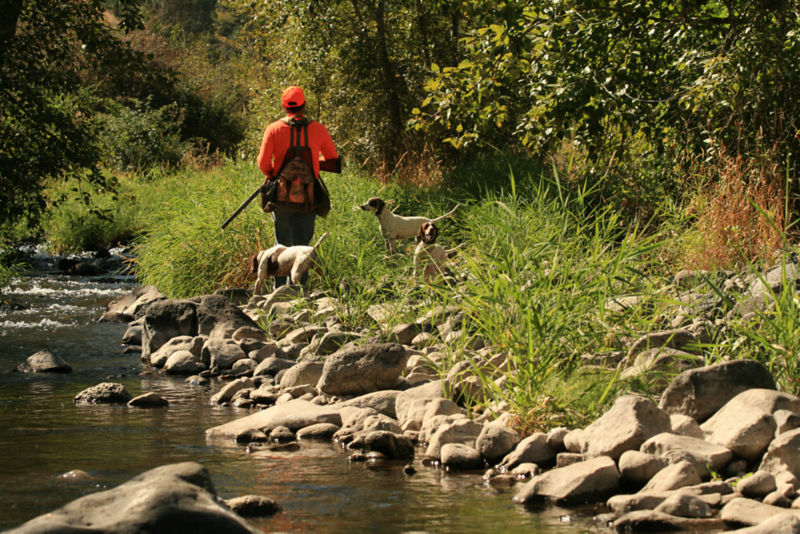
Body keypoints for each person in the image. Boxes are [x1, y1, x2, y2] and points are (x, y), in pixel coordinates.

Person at [257, 85, 339, 287]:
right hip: (308, 198)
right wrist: (313, 165)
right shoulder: (318, 129)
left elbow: (263, 164)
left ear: (284, 106)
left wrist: (274, 173)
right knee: (303, 248)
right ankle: (299, 292)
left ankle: (279, 291)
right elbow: (333, 159)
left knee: (280, 246)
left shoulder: (273, 129)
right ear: (304, 105)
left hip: (281, 198)